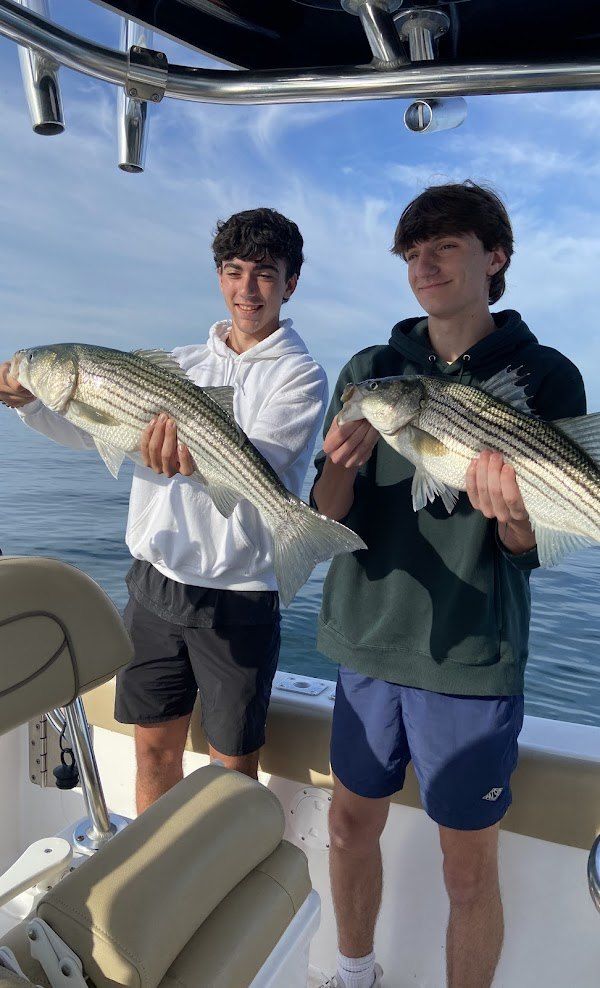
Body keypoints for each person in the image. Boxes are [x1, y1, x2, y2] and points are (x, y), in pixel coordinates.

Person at [312, 181, 586, 988]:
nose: (424, 265)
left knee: (466, 870)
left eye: (445, 248)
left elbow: (532, 541)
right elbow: (327, 515)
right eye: (412, 253)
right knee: (345, 824)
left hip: (469, 653)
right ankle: (355, 973)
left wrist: (514, 515)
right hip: (365, 639)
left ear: (495, 258)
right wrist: (336, 465)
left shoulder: (546, 375)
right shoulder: (372, 369)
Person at [0, 207, 328, 813]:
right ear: (219, 277)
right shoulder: (181, 363)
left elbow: (270, 458)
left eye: (264, 273)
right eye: (233, 272)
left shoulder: (300, 375)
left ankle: (222, 882)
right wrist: (25, 403)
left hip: (239, 594)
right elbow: (90, 428)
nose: (246, 289)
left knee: (231, 766)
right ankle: (157, 873)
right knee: (152, 750)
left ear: (290, 282)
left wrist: (191, 452)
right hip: (154, 589)